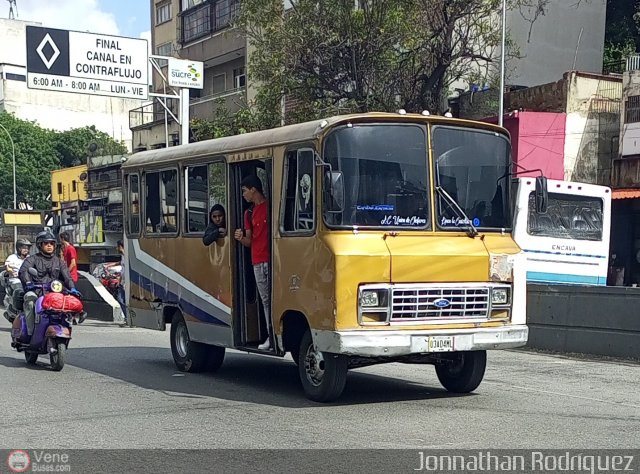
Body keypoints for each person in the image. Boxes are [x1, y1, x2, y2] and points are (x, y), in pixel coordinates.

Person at [19, 230, 82, 338]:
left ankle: (65, 325)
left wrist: (72, 288)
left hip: (54, 293)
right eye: (46, 243)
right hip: (36, 290)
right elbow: (23, 271)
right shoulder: (32, 259)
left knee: (69, 302)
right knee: (29, 300)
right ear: (40, 245)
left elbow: (67, 276)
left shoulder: (59, 262)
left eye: (52, 243)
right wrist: (28, 282)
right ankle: (31, 332)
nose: (49, 246)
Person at [234, 175, 271, 350]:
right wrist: (241, 239)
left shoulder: (270, 207)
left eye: (244, 191)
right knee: (265, 299)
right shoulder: (248, 213)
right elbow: (249, 241)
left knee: (273, 299)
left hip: (271, 260)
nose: (243, 195)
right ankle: (271, 335)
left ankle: (274, 335)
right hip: (257, 260)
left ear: (253, 189)